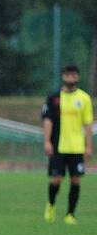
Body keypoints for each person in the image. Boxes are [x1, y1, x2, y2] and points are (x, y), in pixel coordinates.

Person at [42, 64, 94, 224]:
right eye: (68, 74)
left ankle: (70, 214)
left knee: (76, 180)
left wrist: (88, 146)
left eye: (73, 74)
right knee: (57, 179)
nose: (70, 77)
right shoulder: (54, 98)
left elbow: (87, 124)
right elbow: (48, 121)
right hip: (59, 145)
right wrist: (47, 141)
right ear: (63, 76)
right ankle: (51, 204)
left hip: (77, 147)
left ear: (78, 77)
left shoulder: (84, 98)